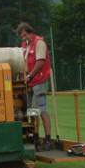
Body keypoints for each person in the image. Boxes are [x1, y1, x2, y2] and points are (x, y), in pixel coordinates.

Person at [16, 22, 53, 152]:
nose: (23, 38)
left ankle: (48, 140)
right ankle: (36, 138)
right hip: (31, 82)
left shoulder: (39, 43)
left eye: (24, 35)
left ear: (30, 31)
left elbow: (40, 62)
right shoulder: (26, 45)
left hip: (39, 81)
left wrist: (30, 76)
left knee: (41, 110)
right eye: (22, 37)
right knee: (32, 111)